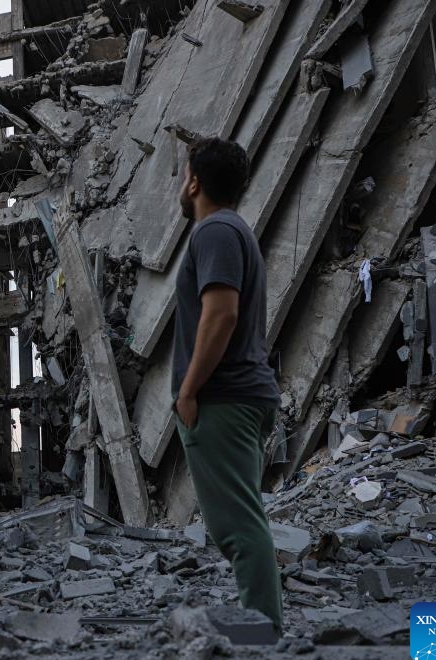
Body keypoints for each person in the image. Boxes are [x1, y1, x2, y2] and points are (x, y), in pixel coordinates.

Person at [171, 136, 283, 632]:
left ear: (195, 182)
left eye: (182, 174)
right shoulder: (233, 229)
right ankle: (262, 625)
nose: (181, 183)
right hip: (241, 396)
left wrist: (189, 391)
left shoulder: (213, 232)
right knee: (240, 520)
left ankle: (264, 633)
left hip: (224, 399)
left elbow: (220, 315)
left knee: (236, 528)